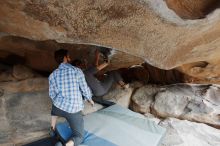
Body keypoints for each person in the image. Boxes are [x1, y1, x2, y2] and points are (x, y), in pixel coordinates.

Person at [48, 49, 94, 146]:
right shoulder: (77, 71)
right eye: (69, 56)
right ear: (65, 58)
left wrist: (59, 101)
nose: (70, 58)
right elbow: (84, 88)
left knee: (54, 109)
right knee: (79, 136)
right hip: (73, 110)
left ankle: (52, 130)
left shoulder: (52, 75)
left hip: (58, 107)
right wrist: (90, 99)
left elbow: (52, 94)